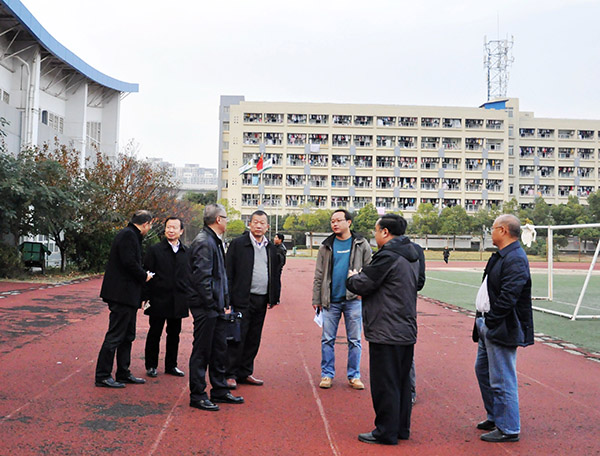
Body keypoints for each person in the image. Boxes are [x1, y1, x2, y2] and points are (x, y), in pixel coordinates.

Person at [347, 214, 420, 445]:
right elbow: (418, 283)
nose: (375, 235)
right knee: (402, 381)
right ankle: (401, 428)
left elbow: (362, 283)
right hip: (405, 325)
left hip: (386, 327)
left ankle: (385, 431)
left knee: (385, 382)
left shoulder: (388, 256)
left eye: (376, 231)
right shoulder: (414, 254)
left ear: (385, 232)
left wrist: (353, 277)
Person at [473, 214, 534, 442]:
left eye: (492, 228)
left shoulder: (515, 258)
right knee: (483, 371)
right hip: (488, 324)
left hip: (500, 326)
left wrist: (492, 320)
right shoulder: (501, 256)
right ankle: (496, 416)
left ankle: (508, 428)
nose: (490, 232)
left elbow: (509, 295)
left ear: (503, 230)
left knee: (502, 378)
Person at [188, 204, 244, 411]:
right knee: (202, 351)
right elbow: (202, 278)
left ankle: (219, 390)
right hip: (206, 307)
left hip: (216, 306)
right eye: (226, 218)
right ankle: (198, 395)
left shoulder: (213, 240)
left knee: (219, 350)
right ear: (219, 219)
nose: (227, 221)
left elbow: (218, 276)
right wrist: (211, 303)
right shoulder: (205, 242)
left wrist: (222, 302)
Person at [312, 209, 372, 390]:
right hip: (331, 300)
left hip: (353, 299)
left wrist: (364, 291)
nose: (335, 224)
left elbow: (370, 270)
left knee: (354, 340)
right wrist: (317, 297)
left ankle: (354, 376)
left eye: (338, 220)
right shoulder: (326, 246)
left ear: (349, 222)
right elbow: (319, 274)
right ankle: (327, 374)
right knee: (327, 339)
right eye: (332, 221)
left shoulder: (361, 244)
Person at [95, 210, 154, 388]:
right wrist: (144, 276)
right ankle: (103, 375)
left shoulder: (130, 235)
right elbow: (129, 263)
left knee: (127, 335)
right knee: (116, 335)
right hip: (121, 294)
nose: (150, 229)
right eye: (150, 225)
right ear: (146, 224)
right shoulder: (128, 235)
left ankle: (123, 372)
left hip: (127, 295)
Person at [225, 210, 282, 388]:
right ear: (249, 224)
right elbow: (228, 271)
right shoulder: (238, 244)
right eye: (255, 222)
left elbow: (275, 274)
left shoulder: (271, 248)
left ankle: (245, 372)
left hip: (261, 299)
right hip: (242, 298)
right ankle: (230, 373)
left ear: (267, 227)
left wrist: (274, 297)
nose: (258, 226)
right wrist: (228, 297)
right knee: (238, 336)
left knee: (254, 338)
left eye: (262, 223)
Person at [142, 217, 191, 378]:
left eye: (174, 227)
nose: (171, 230)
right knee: (155, 332)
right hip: (158, 298)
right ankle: (151, 365)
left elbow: (189, 275)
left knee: (174, 334)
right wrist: (145, 297)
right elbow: (147, 273)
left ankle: (171, 365)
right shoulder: (155, 250)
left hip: (178, 299)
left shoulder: (186, 252)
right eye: (168, 227)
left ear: (181, 231)